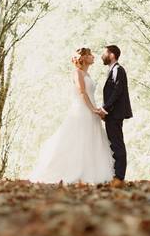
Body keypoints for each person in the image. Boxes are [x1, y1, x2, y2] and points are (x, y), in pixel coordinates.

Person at [27, 47, 115, 185]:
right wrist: (92, 109)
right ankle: (71, 172)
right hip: (81, 111)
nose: (93, 56)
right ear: (83, 58)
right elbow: (82, 92)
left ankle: (91, 173)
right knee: (78, 141)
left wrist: (96, 109)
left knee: (92, 141)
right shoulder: (78, 73)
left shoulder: (88, 75)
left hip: (91, 111)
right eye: (90, 55)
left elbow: (90, 94)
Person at [97, 45, 132, 186]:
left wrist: (105, 109)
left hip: (115, 114)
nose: (102, 56)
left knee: (117, 144)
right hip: (112, 114)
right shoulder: (112, 70)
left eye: (104, 53)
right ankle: (116, 175)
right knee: (114, 143)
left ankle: (119, 176)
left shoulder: (118, 70)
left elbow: (117, 92)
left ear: (112, 55)